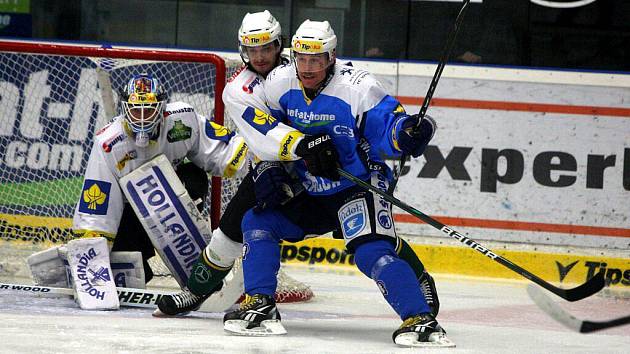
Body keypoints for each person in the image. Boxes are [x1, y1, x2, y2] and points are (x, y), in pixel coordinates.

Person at [156, 11, 441, 322]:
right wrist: (300, 148)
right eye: (253, 50)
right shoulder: (244, 89)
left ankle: (418, 283)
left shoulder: (312, 63)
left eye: (267, 48)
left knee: (370, 242)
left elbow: (374, 116)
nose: (261, 57)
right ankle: (200, 290)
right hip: (274, 163)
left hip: (342, 175)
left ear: (282, 45)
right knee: (237, 226)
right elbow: (264, 133)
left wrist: (403, 132)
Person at [222, 20, 450, 347]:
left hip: (357, 184)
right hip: (310, 189)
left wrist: (408, 132)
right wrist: (268, 165)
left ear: (331, 57)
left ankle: (420, 319)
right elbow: (265, 129)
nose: (308, 67)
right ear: (293, 56)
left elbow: (389, 128)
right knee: (256, 222)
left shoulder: (358, 86)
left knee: (370, 251)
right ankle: (260, 304)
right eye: (302, 58)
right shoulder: (277, 82)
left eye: (317, 59)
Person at [29, 73, 249, 302]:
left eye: (149, 109)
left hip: (173, 202)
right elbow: (98, 201)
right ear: (124, 109)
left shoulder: (183, 120)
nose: (142, 117)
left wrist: (257, 161)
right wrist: (91, 253)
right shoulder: (109, 143)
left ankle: (199, 269)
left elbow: (223, 151)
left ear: (162, 108)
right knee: (132, 272)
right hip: (130, 212)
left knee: (194, 178)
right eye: (136, 110)